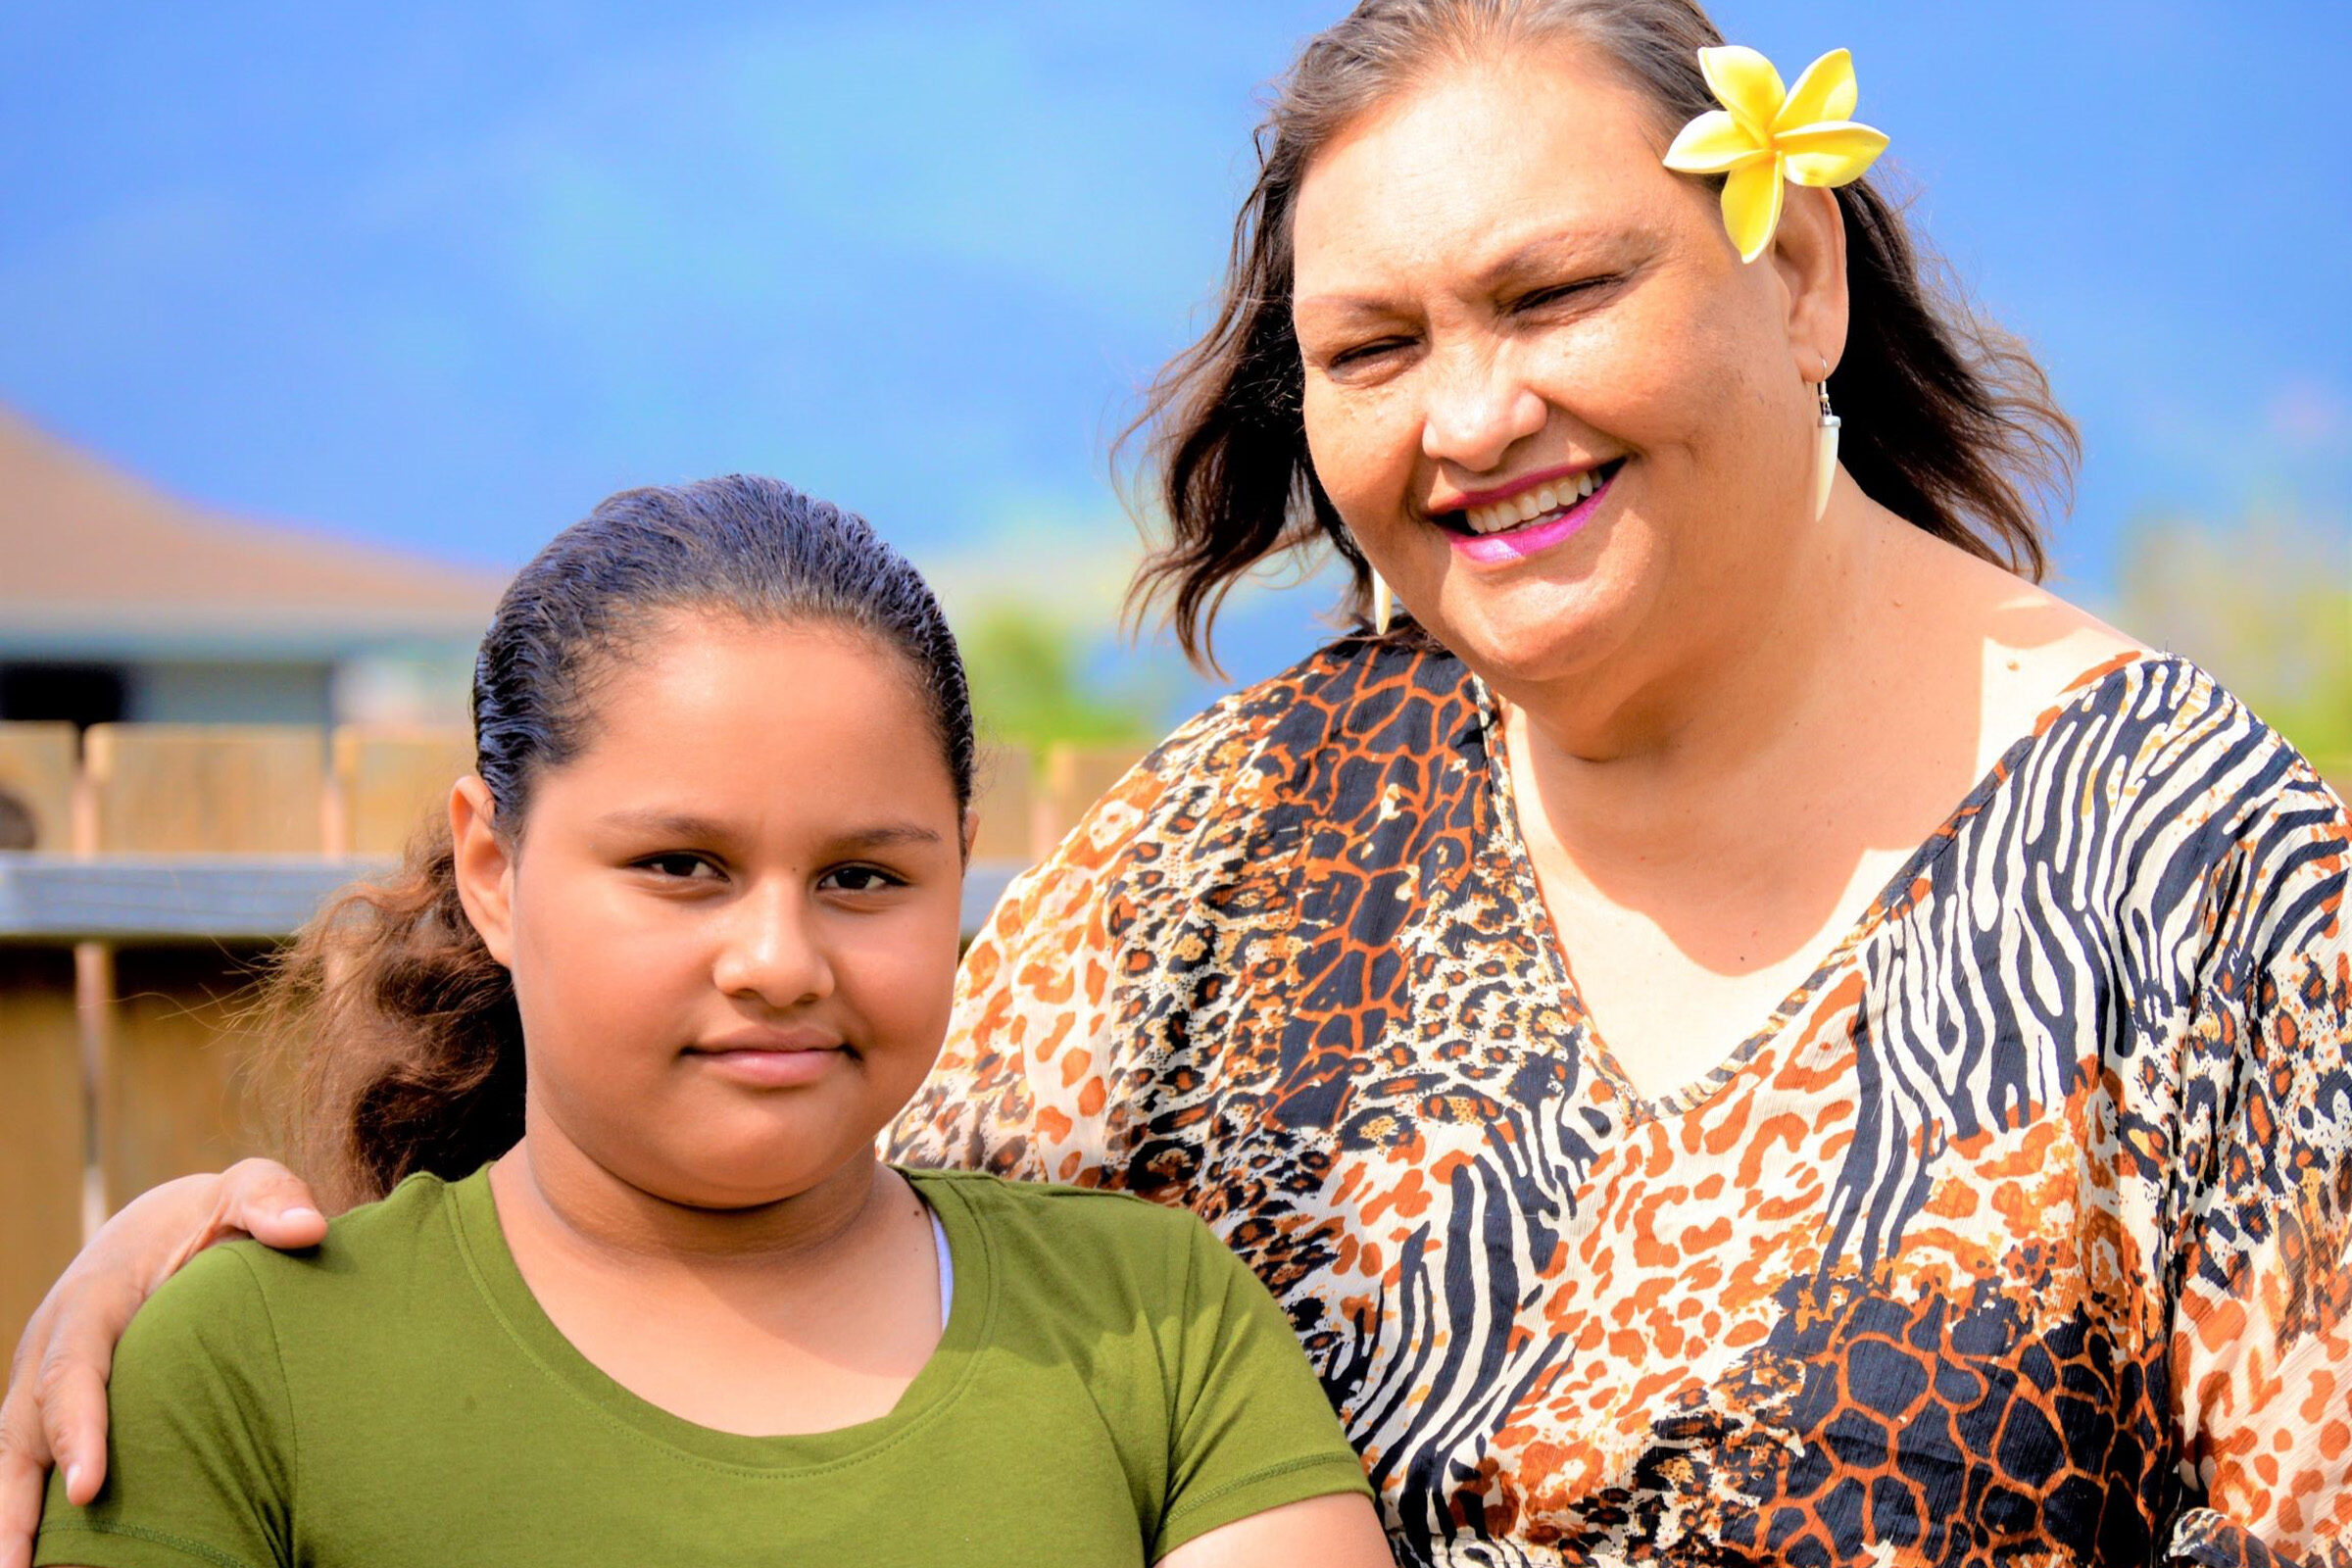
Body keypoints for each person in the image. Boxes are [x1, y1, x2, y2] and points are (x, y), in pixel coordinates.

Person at [7, 2, 2349, 1564]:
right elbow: (761, 1206)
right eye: (1373, 345)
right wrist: (232, 1270)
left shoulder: (2219, 898)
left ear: (1799, 274)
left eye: (1553, 298)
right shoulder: (1257, 832)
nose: (1465, 415)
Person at [23, 477, 1391, 1568]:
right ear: (495, 873)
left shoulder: (1153, 1326)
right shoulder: (240, 1369)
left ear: (959, 869)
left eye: (865, 877)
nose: (780, 961)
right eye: (682, 867)